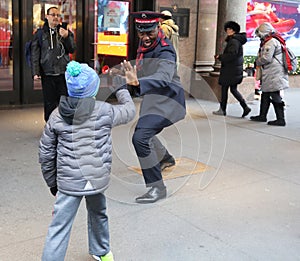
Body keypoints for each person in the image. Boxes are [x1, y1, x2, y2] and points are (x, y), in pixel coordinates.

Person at [38, 61, 136, 261]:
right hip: (96, 180)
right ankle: (102, 252)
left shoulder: (56, 116)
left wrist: (53, 183)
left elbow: (46, 153)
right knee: (99, 214)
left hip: (68, 183)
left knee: (59, 226)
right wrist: (121, 88)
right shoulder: (104, 111)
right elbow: (129, 111)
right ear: (94, 89)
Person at [120, 11, 186, 204]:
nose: (145, 37)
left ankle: (157, 187)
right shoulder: (145, 44)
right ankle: (165, 158)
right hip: (154, 99)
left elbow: (164, 77)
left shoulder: (165, 51)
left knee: (140, 137)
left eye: (149, 32)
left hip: (168, 101)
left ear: (158, 28)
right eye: (141, 33)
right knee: (143, 132)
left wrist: (137, 83)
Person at [31, 6, 76, 122]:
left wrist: (66, 37)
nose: (56, 17)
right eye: (53, 15)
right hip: (47, 73)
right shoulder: (40, 34)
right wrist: (35, 72)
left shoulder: (65, 31)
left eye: (58, 15)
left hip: (63, 73)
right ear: (47, 17)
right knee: (49, 102)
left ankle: (65, 125)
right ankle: (51, 126)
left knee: (64, 101)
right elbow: (35, 54)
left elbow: (72, 49)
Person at [250, 22, 288, 126]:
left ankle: (281, 119)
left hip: (273, 73)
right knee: (266, 94)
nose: (259, 37)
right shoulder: (273, 40)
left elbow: (267, 58)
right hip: (272, 72)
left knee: (274, 95)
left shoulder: (271, 42)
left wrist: (257, 62)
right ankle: (262, 116)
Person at [213, 21, 251, 117]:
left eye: (229, 29)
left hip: (230, 70)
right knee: (233, 89)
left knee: (225, 89)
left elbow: (231, 55)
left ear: (233, 30)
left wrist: (220, 57)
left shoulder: (233, 41)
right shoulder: (236, 40)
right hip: (234, 69)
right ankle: (245, 107)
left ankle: (223, 109)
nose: (227, 31)